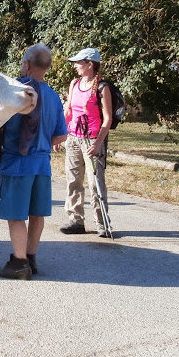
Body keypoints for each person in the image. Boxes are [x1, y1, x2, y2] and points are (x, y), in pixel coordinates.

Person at [0, 44, 68, 279]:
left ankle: (19, 263)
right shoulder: (54, 96)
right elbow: (61, 136)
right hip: (42, 164)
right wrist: (42, 140)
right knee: (37, 214)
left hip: (17, 163)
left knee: (16, 215)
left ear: (26, 64)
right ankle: (31, 258)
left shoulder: (14, 90)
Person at [59, 47, 112, 237]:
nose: (75, 66)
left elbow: (107, 119)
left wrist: (97, 143)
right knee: (73, 180)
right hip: (73, 138)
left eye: (79, 62)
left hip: (92, 140)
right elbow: (68, 111)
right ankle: (76, 221)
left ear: (90, 64)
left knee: (95, 182)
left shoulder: (101, 87)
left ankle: (102, 223)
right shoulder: (74, 84)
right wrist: (61, 134)